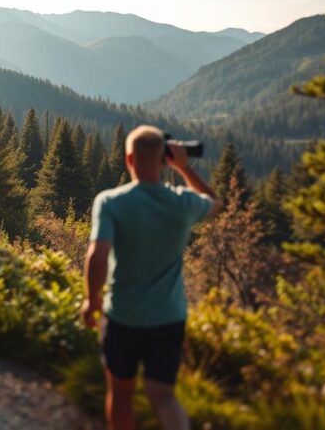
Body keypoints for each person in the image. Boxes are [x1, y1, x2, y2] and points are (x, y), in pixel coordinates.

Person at [81, 126, 223, 430]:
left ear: (129, 158)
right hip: (168, 318)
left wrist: (91, 301)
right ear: (163, 160)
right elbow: (215, 201)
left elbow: (97, 255)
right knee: (164, 397)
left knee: (121, 392)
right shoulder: (184, 203)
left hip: (123, 316)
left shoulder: (110, 202)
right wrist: (184, 167)